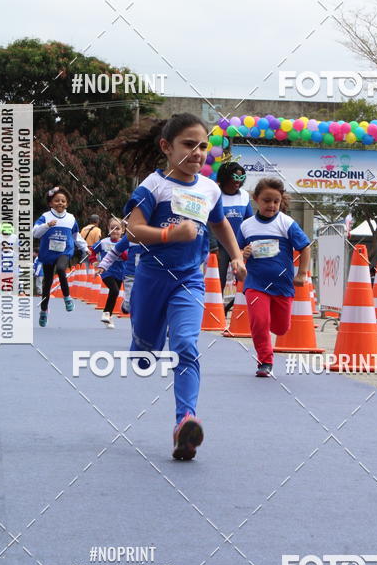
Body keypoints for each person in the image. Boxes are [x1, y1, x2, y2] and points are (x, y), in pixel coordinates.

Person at [97, 113, 246, 461]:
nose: (198, 153)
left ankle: (184, 423)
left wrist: (236, 256)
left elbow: (220, 224)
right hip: (152, 276)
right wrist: (170, 234)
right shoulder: (153, 186)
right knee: (146, 355)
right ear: (166, 147)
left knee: (185, 345)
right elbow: (132, 230)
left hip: (190, 279)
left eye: (204, 146)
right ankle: (141, 343)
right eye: (189, 145)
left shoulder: (209, 189)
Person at [239, 177, 311, 377]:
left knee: (280, 328)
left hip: (282, 285)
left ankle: (270, 328)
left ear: (281, 202)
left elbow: (305, 248)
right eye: (266, 200)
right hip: (256, 283)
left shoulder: (286, 223)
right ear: (256, 199)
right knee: (259, 322)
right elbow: (236, 251)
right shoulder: (246, 226)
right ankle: (265, 361)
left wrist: (302, 273)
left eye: (276, 201)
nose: (271, 205)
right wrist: (241, 255)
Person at [32, 186, 89, 327]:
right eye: (57, 200)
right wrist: (47, 226)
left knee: (62, 268)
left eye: (63, 201)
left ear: (67, 204)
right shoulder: (46, 216)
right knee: (47, 284)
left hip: (64, 251)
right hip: (48, 253)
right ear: (51, 203)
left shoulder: (70, 218)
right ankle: (44, 311)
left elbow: (76, 235)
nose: (60, 203)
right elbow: (35, 233)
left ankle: (67, 297)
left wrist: (85, 248)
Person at [216, 162, 253, 295]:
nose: (238, 182)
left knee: (244, 278)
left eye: (241, 178)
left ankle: (241, 308)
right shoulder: (215, 194)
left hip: (239, 246)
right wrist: (213, 247)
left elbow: (249, 221)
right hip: (220, 246)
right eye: (235, 178)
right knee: (218, 278)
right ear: (225, 177)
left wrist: (249, 244)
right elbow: (210, 222)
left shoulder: (244, 195)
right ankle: (217, 309)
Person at [92, 217, 128, 328]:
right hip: (106, 272)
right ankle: (106, 313)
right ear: (108, 229)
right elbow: (92, 251)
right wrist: (94, 261)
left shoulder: (124, 242)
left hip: (120, 272)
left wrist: (119, 250)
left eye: (118, 228)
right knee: (114, 290)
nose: (115, 231)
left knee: (114, 293)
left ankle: (109, 316)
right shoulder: (103, 242)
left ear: (123, 231)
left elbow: (127, 257)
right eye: (112, 228)